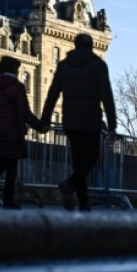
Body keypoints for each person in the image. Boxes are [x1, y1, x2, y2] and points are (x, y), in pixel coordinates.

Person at [41, 33, 117, 212]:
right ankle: (70, 185)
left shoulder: (64, 66)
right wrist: (112, 124)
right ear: (91, 46)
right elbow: (107, 95)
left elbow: (52, 94)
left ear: (74, 45)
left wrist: (45, 120)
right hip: (90, 120)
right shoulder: (98, 66)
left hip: (70, 119)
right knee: (91, 159)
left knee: (78, 160)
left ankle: (83, 202)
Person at [0, 55, 45, 209]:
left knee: (2, 163)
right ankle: (8, 199)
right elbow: (24, 112)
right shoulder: (17, 87)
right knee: (12, 166)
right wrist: (39, 126)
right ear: (14, 69)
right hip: (13, 131)